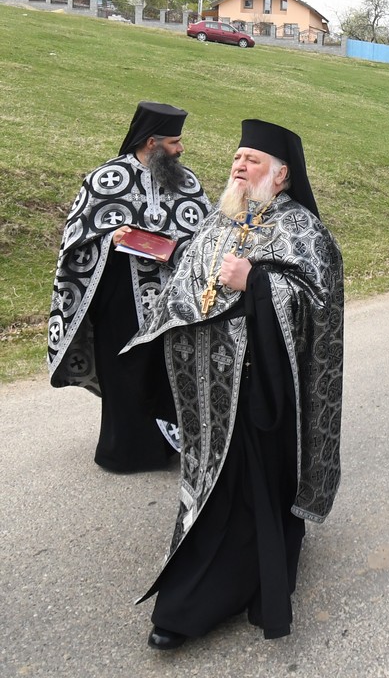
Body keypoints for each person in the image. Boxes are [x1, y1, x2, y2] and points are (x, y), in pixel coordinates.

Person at [125, 119, 343, 648]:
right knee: (205, 482)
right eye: (237, 157)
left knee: (244, 489)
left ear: (283, 175)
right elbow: (186, 282)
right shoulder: (221, 220)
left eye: (252, 159)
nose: (238, 165)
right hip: (205, 386)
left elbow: (318, 304)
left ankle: (196, 602)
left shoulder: (302, 230)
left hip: (260, 389)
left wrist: (257, 283)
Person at [48, 100, 212, 473]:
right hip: (120, 298)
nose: (180, 149)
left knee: (166, 370)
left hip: (170, 300)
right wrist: (110, 236)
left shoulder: (186, 181)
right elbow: (76, 238)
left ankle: (166, 445)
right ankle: (123, 452)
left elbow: (205, 235)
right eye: (173, 142)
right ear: (151, 142)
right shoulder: (107, 178)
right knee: (124, 372)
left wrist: (173, 249)